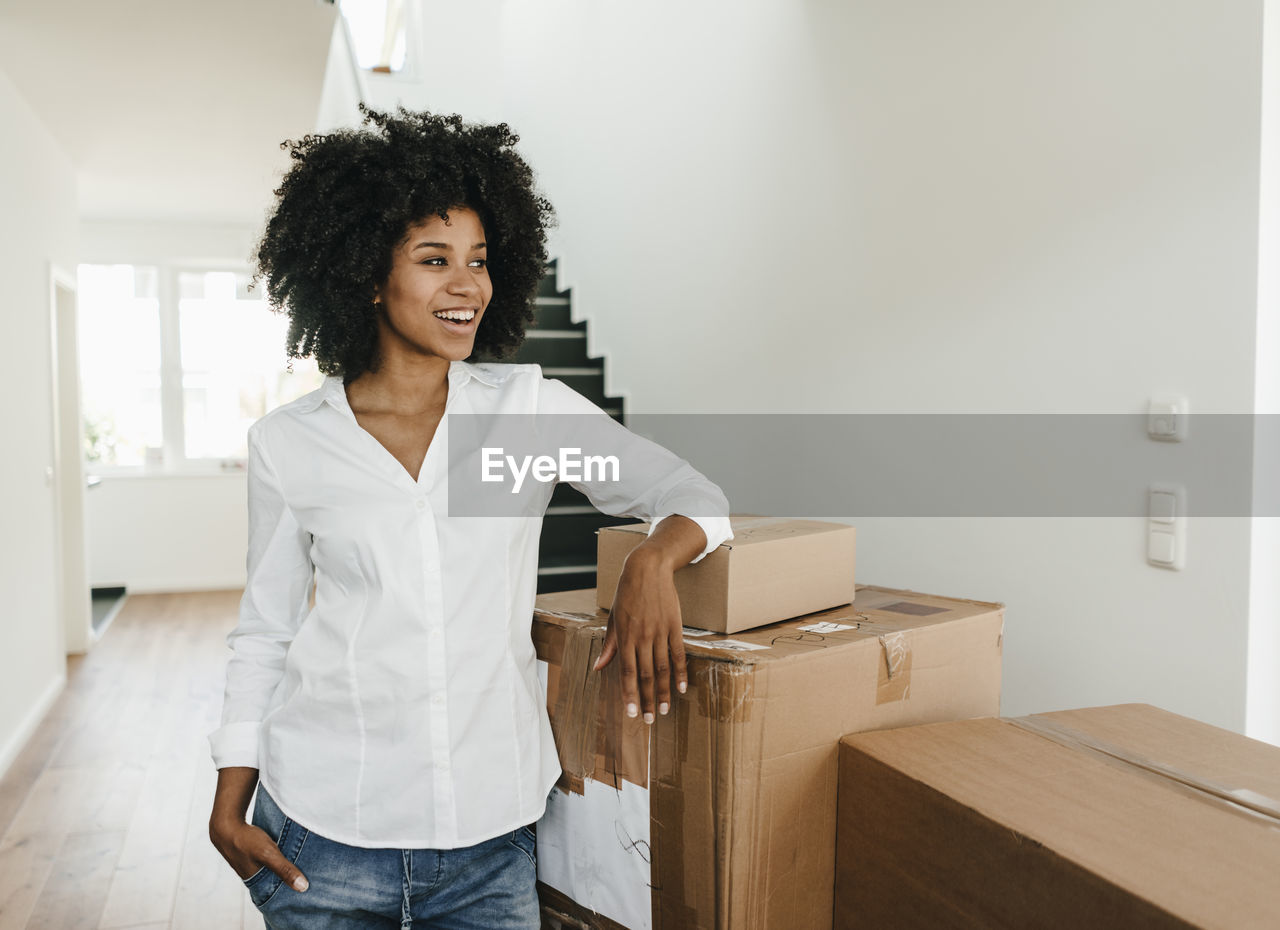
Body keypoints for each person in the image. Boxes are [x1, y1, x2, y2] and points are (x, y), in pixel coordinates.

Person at [205, 107, 733, 929]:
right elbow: (266, 630)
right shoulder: (289, 445)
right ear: (367, 275)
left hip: (491, 843)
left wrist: (653, 561)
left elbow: (691, 494)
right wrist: (229, 799)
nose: (468, 286)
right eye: (433, 260)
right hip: (325, 839)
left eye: (480, 262)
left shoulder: (524, 415)